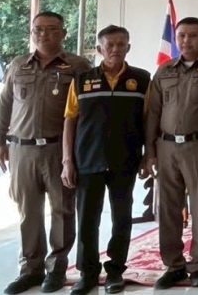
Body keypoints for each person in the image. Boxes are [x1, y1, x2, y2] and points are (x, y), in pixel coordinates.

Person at [0, 11, 92, 295]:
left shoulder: (78, 66)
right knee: (28, 213)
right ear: (32, 32)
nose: (43, 34)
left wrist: (77, 155)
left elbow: (87, 111)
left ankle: (57, 269)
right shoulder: (18, 65)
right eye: (38, 29)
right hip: (21, 150)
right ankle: (30, 270)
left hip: (58, 151)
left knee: (62, 210)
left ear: (63, 33)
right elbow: (5, 104)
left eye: (51, 29)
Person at [61, 25, 152, 295]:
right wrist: (67, 161)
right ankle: (88, 273)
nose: (115, 49)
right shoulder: (82, 80)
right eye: (109, 45)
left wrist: (148, 155)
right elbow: (70, 120)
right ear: (99, 49)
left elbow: (149, 119)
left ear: (128, 47)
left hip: (126, 159)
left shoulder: (142, 79)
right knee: (87, 219)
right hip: (88, 160)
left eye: (121, 44)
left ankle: (115, 272)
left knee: (122, 218)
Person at [145, 17, 198, 289]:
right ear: (176, 37)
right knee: (168, 208)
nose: (186, 40)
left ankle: (197, 266)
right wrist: (150, 151)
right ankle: (174, 265)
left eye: (193, 35)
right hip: (166, 146)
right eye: (181, 35)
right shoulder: (164, 70)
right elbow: (153, 113)